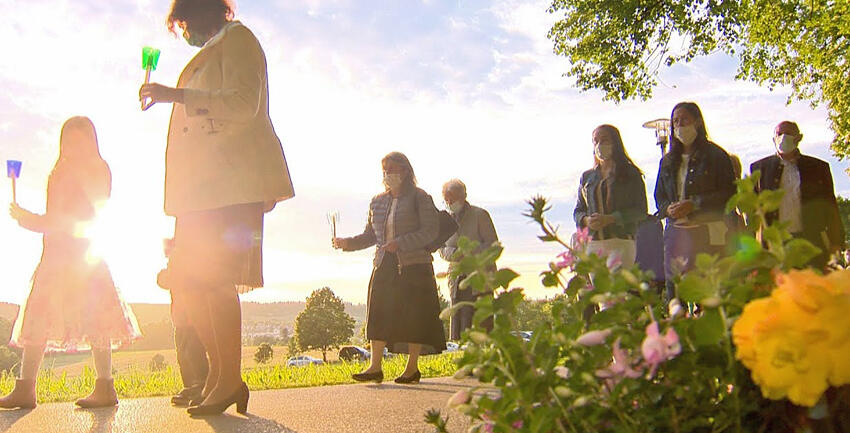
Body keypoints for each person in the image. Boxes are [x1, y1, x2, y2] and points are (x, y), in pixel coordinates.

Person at [139, 0, 294, 415]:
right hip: (200, 192)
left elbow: (245, 103)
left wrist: (177, 95)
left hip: (230, 184)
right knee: (188, 284)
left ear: (202, 12)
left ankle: (226, 378)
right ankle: (220, 375)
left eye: (185, 24)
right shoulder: (213, 49)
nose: (185, 34)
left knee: (215, 280)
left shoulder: (239, 39)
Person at [1, 116, 141, 409]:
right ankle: (28, 388)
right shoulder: (62, 172)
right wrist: (32, 220)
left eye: (79, 141)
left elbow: (76, 218)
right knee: (40, 317)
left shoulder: (93, 172)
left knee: (95, 319)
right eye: (68, 141)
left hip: (81, 258)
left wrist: (31, 220)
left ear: (91, 143)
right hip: (58, 257)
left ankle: (103, 386)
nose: (72, 147)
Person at [333, 152, 447, 384]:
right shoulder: (377, 201)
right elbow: (370, 236)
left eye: (393, 169)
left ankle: (411, 368)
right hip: (384, 262)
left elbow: (430, 231)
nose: (388, 174)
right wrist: (347, 243)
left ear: (406, 171)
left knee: (415, 315)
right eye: (385, 170)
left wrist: (401, 243)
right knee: (378, 312)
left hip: (414, 264)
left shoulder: (420, 197)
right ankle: (375, 367)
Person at [654, 102, 736, 300]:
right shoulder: (667, 161)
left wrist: (695, 204)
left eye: (684, 120)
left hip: (707, 234)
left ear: (697, 122)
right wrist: (668, 209)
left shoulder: (716, 156)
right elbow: (660, 198)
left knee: (710, 293)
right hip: (675, 235)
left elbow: (729, 194)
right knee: (676, 295)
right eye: (675, 121)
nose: (679, 125)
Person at [750, 121, 844, 269]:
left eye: (788, 134)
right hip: (776, 245)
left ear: (798, 138)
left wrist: (836, 241)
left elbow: (830, 206)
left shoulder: (818, 168)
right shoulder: (760, 169)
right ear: (773, 139)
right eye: (779, 134)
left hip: (811, 242)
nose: (783, 138)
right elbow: (753, 211)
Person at [574, 124, 647, 267]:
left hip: (621, 242)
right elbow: (578, 210)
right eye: (596, 141)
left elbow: (641, 211)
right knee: (600, 289)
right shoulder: (587, 177)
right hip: (594, 244)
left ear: (615, 142)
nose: (600, 144)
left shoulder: (630, 173)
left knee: (617, 287)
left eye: (605, 140)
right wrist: (586, 220)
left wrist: (612, 218)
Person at [439, 179, 498, 341]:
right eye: (446, 199)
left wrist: (471, 253)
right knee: (459, 322)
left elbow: (493, 246)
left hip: (481, 277)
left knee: (482, 322)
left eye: (452, 198)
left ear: (463, 196)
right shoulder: (445, 220)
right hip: (457, 279)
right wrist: (454, 254)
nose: (449, 202)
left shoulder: (480, 215)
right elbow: (441, 248)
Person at [158, 238, 208, 407]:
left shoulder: (189, 271)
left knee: (195, 352)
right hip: (180, 322)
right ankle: (189, 386)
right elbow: (163, 281)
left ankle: (202, 384)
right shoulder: (172, 270)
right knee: (183, 355)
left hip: (193, 321)